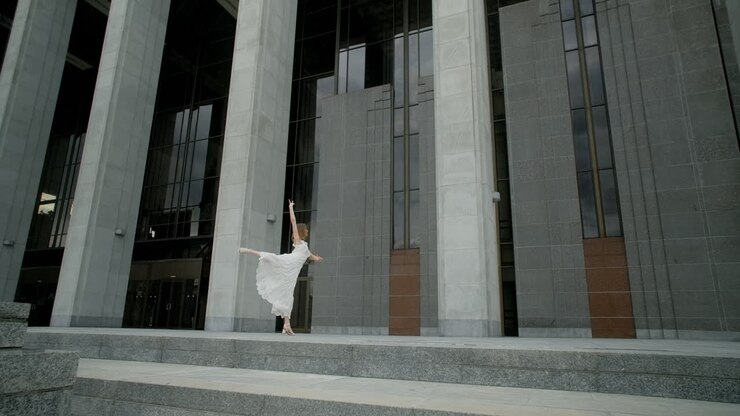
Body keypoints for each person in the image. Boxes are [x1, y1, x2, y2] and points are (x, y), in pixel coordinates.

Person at [238, 199, 322, 335]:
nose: (307, 230)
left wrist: (317, 258)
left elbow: (310, 255)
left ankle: (286, 325)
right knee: (272, 258)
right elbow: (293, 222)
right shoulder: (298, 240)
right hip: (288, 262)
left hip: (292, 273)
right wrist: (290, 208)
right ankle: (248, 250)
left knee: (287, 296)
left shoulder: (305, 247)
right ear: (301, 231)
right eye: (306, 228)